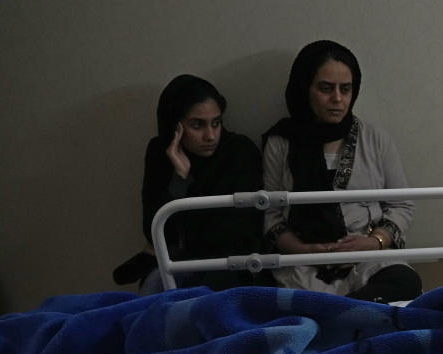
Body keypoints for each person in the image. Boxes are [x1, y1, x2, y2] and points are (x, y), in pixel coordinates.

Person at [261, 40, 421, 303]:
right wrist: (305, 250)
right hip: (305, 263)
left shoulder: (375, 139)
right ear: (305, 89)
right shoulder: (281, 143)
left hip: (368, 259)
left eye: (345, 89)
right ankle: (351, 314)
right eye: (326, 88)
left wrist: (374, 242)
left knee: (405, 282)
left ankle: (341, 313)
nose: (337, 99)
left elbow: (402, 205)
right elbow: (271, 213)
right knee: (286, 301)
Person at [112, 74, 264, 292]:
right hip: (178, 262)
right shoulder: (161, 153)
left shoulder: (239, 152)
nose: (210, 136)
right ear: (176, 127)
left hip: (228, 264)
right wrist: (180, 178)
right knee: (153, 288)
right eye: (197, 125)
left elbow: (240, 231)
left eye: (216, 123)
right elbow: (155, 231)